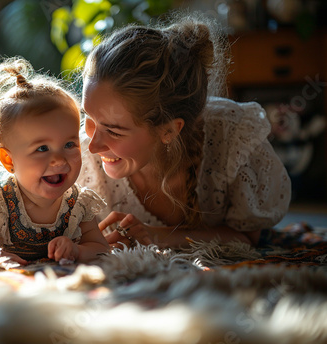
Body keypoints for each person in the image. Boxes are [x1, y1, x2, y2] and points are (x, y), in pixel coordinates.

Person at [78, 12, 291, 249]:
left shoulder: (233, 139)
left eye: (114, 132)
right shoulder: (84, 163)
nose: (93, 145)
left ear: (168, 130)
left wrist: (155, 235)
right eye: (89, 118)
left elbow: (249, 239)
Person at [0, 57, 109, 265]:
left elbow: (101, 249)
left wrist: (77, 250)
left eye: (69, 145)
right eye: (42, 148)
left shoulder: (78, 204)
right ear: (8, 159)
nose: (58, 159)